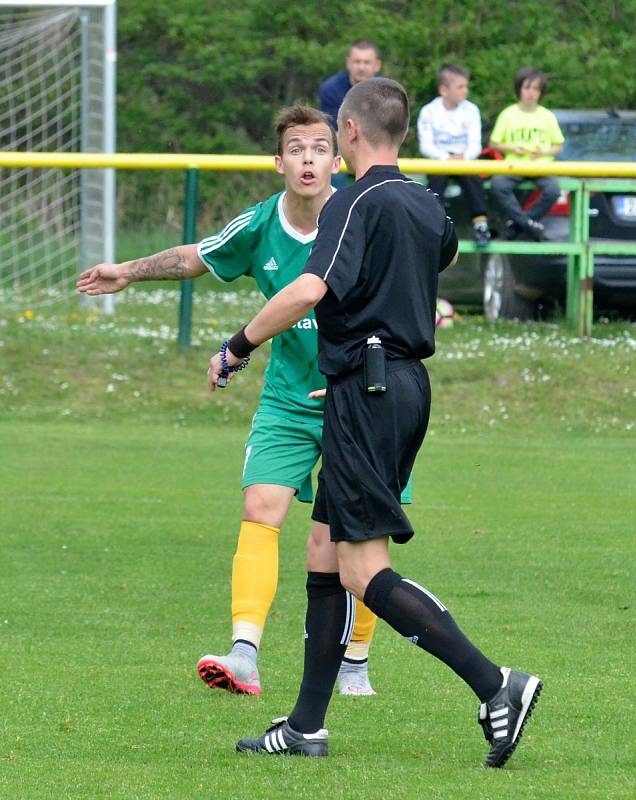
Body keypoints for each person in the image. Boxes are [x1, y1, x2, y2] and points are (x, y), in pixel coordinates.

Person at [211, 78, 542, 768]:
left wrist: (238, 345)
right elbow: (437, 256)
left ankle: (496, 684)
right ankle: (304, 727)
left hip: (367, 385)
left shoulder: (352, 200)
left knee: (363, 569)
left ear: (350, 134)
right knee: (323, 555)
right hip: (401, 382)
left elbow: (307, 288)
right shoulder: (424, 204)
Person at [76, 105, 390, 698]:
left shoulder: (361, 215)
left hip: (358, 395)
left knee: (350, 536)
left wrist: (369, 366)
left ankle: (355, 660)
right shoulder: (262, 223)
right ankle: (244, 652)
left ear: (337, 158)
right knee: (260, 506)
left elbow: (405, 284)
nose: (307, 160)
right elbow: (197, 255)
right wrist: (127, 271)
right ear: (278, 162)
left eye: (320, 149)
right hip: (287, 400)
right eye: (296, 149)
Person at [417, 64, 491, 246]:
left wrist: (463, 157)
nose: (465, 91)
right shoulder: (429, 112)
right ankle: (436, 226)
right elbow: (426, 146)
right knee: (436, 180)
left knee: (473, 178)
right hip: (440, 160)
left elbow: (475, 144)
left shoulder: (471, 110)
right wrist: (446, 158)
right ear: (444, 90)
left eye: (466, 86)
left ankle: (481, 225)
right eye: (460, 87)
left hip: (463, 160)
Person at [489, 66, 565, 241]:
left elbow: (558, 146)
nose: (531, 93)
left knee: (553, 190)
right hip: (514, 165)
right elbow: (494, 143)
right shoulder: (508, 114)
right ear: (519, 89)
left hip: (541, 166)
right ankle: (528, 224)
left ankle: (519, 224)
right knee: (498, 185)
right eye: (527, 88)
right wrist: (512, 148)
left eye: (536, 89)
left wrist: (544, 151)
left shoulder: (547, 116)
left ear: (541, 92)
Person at [320, 38, 382, 188]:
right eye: (357, 61)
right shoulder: (331, 88)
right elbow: (334, 132)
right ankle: (337, 206)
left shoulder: (387, 91)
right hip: (343, 147)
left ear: (377, 65)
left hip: (377, 147)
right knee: (332, 166)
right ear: (348, 63)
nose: (361, 67)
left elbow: (387, 132)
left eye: (366, 62)